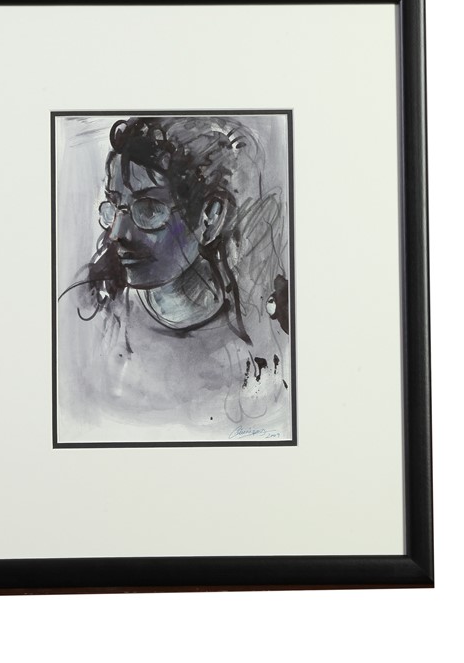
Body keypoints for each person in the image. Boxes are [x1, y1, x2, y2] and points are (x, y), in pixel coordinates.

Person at [57, 114, 292, 442]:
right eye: (114, 207)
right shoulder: (95, 317)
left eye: (149, 209)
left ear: (210, 218)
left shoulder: (259, 346)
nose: (117, 233)